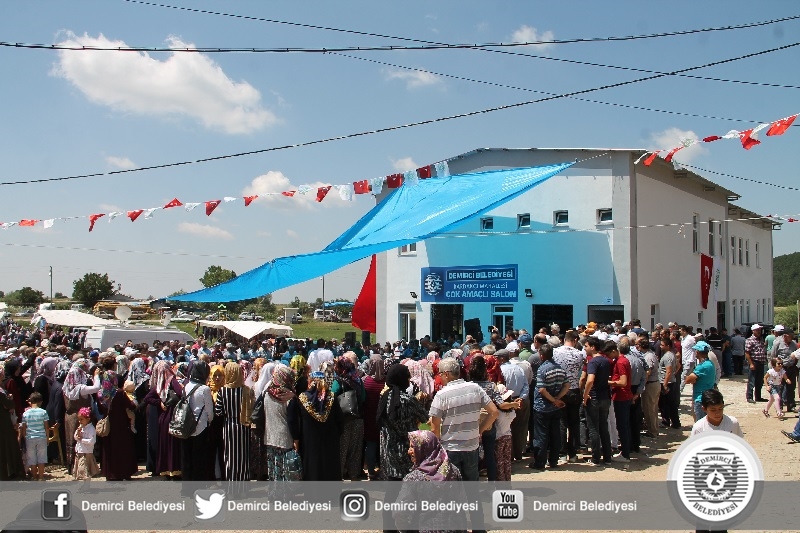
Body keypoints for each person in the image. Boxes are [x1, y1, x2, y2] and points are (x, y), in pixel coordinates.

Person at [430, 357, 498, 481]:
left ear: (446, 374)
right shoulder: (475, 388)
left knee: (454, 487)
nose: (440, 377)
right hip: (471, 447)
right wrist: (479, 431)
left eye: (440, 374)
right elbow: (494, 412)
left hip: (450, 448)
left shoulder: (441, 395)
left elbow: (435, 428)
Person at [393, 430, 465, 533]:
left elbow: (400, 512)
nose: (409, 451)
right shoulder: (453, 471)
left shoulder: (414, 479)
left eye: (413, 447)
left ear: (424, 449)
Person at [288, 370, 343, 481]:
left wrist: (296, 439)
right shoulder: (332, 398)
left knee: (312, 470)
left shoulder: (302, 398)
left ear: (310, 382)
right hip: (330, 442)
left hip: (309, 443)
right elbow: (340, 421)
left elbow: (295, 421)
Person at [528, 344, 569, 470]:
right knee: (555, 434)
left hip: (542, 407)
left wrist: (553, 400)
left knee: (541, 435)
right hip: (555, 408)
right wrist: (558, 399)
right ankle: (553, 461)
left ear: (541, 355)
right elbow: (567, 385)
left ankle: (539, 462)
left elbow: (542, 389)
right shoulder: (560, 368)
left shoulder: (542, 369)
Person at [144, 360, 183, 479]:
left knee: (164, 444)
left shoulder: (158, 385)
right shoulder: (172, 381)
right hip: (172, 417)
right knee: (173, 445)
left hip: (162, 418)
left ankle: (165, 470)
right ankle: (174, 470)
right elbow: (180, 393)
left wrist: (159, 403)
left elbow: (147, 398)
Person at [214, 361, 252, 482]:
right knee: (243, 456)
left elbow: (218, 411)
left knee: (230, 456)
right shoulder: (247, 390)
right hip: (244, 426)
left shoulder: (222, 391)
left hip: (229, 426)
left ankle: (231, 485)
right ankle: (243, 485)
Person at [62, 359, 102, 474]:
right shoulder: (80, 389)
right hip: (81, 418)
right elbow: (96, 387)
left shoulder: (66, 388)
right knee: (82, 442)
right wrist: (96, 376)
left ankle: (72, 468)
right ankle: (82, 468)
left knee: (72, 441)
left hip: (70, 417)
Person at [331, 354, 366, 481]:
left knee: (342, 449)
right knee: (355, 448)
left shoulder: (338, 381)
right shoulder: (358, 380)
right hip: (358, 417)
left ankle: (339, 474)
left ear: (342, 367)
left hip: (343, 420)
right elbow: (363, 397)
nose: (335, 368)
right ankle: (354, 474)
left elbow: (332, 397)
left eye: (337, 366)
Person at [263, 366, 298, 481]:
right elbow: (292, 421)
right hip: (285, 439)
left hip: (269, 437)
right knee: (284, 471)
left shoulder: (267, 393)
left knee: (273, 469)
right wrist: (296, 440)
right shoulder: (289, 397)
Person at [181, 361, 214, 481]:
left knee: (187, 457)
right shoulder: (204, 389)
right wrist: (209, 421)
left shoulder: (186, 386)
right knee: (199, 458)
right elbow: (209, 411)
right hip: (200, 427)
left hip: (186, 425)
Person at [582, 338, 612, 466]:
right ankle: (607, 457)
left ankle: (595, 458)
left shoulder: (593, 362)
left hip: (594, 398)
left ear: (593, 347)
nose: (585, 348)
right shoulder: (606, 360)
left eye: (586, 346)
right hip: (605, 397)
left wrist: (585, 395)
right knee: (604, 427)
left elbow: (590, 380)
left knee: (593, 429)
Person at [362, 357, 385, 480]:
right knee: (382, 446)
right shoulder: (386, 382)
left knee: (370, 444)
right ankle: (382, 470)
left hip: (369, 417)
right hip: (383, 418)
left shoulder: (365, 381)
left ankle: (370, 471)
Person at [20, 391, 49, 481]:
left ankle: (34, 476)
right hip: (41, 437)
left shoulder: (25, 413)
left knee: (32, 458)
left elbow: (24, 427)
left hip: (30, 437)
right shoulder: (43, 412)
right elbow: (46, 427)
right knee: (41, 457)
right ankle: (41, 477)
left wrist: (25, 436)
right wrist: (47, 437)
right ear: (40, 402)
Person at [684, 342, 716, 422]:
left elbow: (687, 380)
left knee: (700, 423)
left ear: (697, 352)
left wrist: (689, 377)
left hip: (700, 399)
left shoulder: (702, 367)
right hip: (707, 396)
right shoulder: (710, 363)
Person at [658, 338, 681, 429]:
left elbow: (669, 371)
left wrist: (665, 384)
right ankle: (674, 422)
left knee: (665, 404)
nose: (660, 347)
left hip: (667, 383)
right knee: (670, 404)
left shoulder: (667, 356)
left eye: (662, 345)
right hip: (670, 381)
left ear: (668, 346)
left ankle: (667, 421)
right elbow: (678, 366)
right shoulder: (672, 354)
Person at [73, 406, 99, 480]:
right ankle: (84, 483)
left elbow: (92, 441)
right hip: (79, 451)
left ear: (88, 419)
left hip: (86, 452)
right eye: (79, 419)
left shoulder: (91, 429)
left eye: (82, 419)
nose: (79, 421)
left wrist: (82, 439)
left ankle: (86, 483)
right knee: (80, 470)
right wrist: (77, 434)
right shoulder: (81, 427)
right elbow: (75, 437)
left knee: (83, 470)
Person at [745, 324, 767, 403]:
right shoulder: (750, 340)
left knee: (759, 381)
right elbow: (747, 353)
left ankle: (758, 396)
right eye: (757, 330)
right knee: (752, 380)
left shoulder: (761, 339)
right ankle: (749, 397)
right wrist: (751, 363)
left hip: (761, 362)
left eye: (760, 330)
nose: (759, 331)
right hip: (754, 362)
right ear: (753, 331)